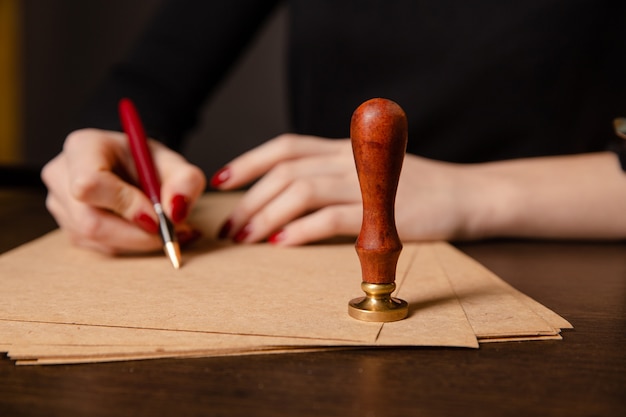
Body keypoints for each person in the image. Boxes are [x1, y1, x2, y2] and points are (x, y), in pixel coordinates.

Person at [41, 0, 626, 256]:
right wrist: (100, 162)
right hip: (314, 258)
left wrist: (472, 194)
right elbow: (147, 86)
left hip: (568, 269)